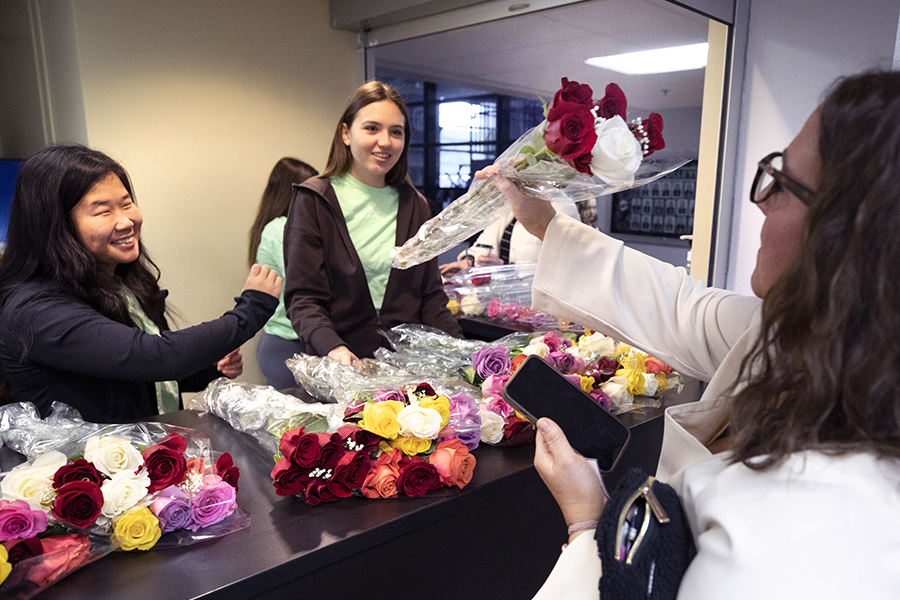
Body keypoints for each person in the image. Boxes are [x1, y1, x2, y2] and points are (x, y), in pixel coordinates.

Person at [484, 70, 900, 598]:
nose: (761, 201)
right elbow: (682, 308)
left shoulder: (812, 524)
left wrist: (589, 524)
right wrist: (546, 222)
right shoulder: (804, 338)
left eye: (784, 183)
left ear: (848, 233)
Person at [0, 144, 281, 423]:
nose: (126, 221)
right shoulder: (35, 308)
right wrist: (251, 311)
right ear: (56, 225)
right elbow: (153, 357)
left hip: (138, 455)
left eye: (126, 204)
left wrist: (208, 368)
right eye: (103, 211)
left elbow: (133, 378)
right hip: (80, 465)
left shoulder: (118, 284)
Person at [283, 81, 462, 366]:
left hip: (407, 369)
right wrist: (333, 348)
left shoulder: (415, 205)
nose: (386, 141)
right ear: (345, 133)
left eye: (396, 132)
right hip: (340, 369)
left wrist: (465, 354)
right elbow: (304, 300)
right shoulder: (315, 200)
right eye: (371, 128)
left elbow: (431, 299)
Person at [248, 157, 319, 389]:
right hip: (288, 343)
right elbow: (308, 278)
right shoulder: (282, 229)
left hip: (287, 342)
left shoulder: (278, 227)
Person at [438, 200, 580, 273]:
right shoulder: (508, 209)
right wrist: (470, 261)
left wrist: (504, 269)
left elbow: (567, 267)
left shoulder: (562, 208)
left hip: (537, 308)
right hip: (501, 304)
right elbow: (482, 245)